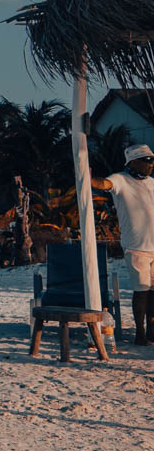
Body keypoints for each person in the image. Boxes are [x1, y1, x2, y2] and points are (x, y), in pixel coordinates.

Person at [93, 143, 154, 345]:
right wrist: (88, 177)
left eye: (152, 160)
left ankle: (152, 330)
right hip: (137, 246)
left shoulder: (152, 182)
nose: (151, 164)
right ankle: (140, 332)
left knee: (152, 291)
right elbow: (104, 184)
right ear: (133, 162)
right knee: (141, 289)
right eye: (146, 160)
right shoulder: (121, 179)